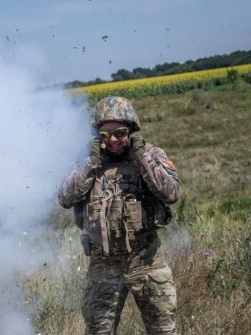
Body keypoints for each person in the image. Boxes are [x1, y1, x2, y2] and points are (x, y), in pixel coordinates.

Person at [58, 96, 180, 334]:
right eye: (105, 135)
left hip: (146, 261)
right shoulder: (88, 162)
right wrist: (90, 164)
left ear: (131, 130)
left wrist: (141, 158)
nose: (112, 140)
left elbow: (171, 193)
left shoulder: (151, 155)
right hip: (103, 265)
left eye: (120, 132)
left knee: (163, 331)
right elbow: (65, 198)